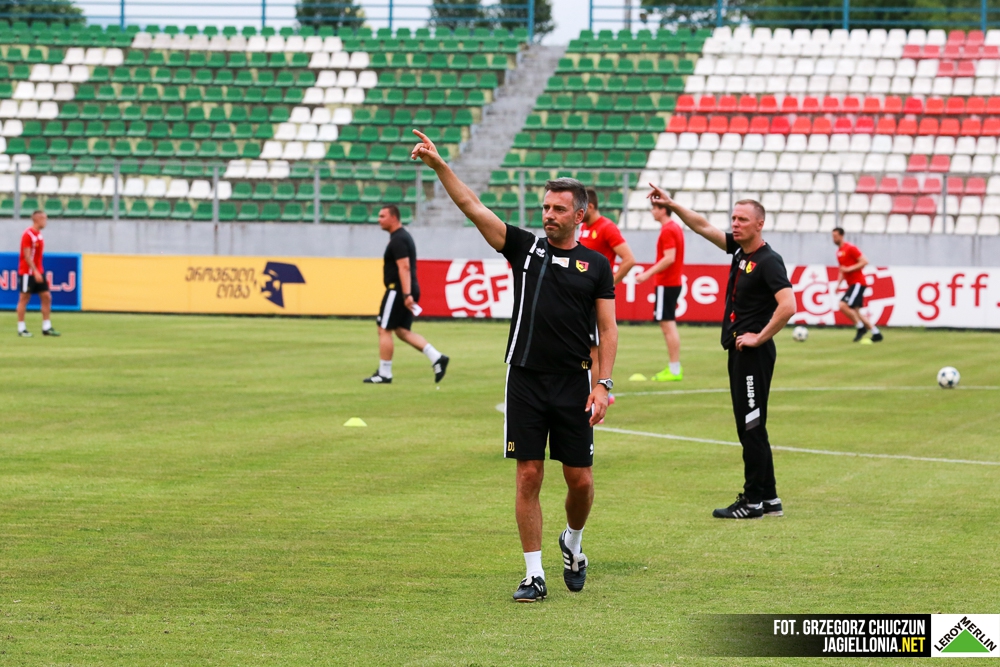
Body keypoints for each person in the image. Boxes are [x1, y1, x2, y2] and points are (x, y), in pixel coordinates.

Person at [411, 130, 618, 602]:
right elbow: (473, 207)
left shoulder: (596, 266)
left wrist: (602, 384)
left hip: (573, 383)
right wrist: (441, 165)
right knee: (528, 474)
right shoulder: (525, 249)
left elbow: (607, 331)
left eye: (558, 209)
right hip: (523, 378)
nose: (548, 215)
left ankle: (573, 541)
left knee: (580, 481)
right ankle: (533, 574)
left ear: (579, 214)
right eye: (545, 207)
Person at [646, 185, 794, 520]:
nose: (735, 224)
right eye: (733, 218)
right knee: (751, 425)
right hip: (739, 351)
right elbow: (701, 226)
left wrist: (759, 337)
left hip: (753, 354)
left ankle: (752, 502)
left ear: (760, 224)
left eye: (743, 219)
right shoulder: (740, 251)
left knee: (751, 426)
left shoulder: (769, 261)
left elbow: (788, 306)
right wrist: (672, 204)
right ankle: (769, 498)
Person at [364, 204, 449, 384]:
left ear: (394, 217)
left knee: (384, 328)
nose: (379, 220)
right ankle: (437, 357)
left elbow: (404, 267)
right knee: (402, 331)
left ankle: (384, 373)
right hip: (405, 289)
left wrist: (406, 294)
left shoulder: (398, 239)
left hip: (398, 290)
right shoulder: (401, 237)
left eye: (382, 216)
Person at [579, 188, 634, 388]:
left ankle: (597, 395)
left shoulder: (607, 227)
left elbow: (629, 259)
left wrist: (608, 285)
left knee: (594, 350)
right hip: (582, 297)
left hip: (595, 300)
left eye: (581, 208)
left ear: (591, 206)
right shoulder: (584, 227)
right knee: (584, 348)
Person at [635, 196, 685, 381]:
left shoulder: (668, 229)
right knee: (668, 324)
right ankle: (674, 368)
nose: (652, 211)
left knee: (667, 325)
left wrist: (647, 274)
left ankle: (674, 369)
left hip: (667, 282)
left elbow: (669, 257)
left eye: (655, 208)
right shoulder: (674, 227)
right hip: (672, 282)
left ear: (663, 209)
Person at [832, 228, 882, 343]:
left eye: (835, 236)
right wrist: (838, 284)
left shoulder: (850, 248)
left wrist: (849, 269)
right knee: (856, 311)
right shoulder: (838, 252)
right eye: (833, 236)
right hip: (852, 284)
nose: (834, 239)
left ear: (842, 236)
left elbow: (864, 261)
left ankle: (860, 327)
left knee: (843, 305)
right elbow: (842, 270)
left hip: (858, 282)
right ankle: (876, 333)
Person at [17, 210, 59, 338]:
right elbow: (27, 255)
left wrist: (39, 271)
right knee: (24, 298)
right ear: (37, 219)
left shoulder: (39, 234)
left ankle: (46, 327)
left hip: (38, 271)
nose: (45, 222)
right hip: (28, 272)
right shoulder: (28, 234)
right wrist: (35, 271)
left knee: (46, 296)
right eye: (44, 219)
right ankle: (21, 328)